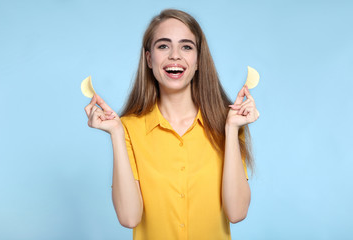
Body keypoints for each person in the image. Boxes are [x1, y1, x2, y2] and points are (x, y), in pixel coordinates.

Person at [84, 9, 259, 240]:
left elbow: (236, 213)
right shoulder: (128, 128)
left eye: (186, 47)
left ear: (198, 61)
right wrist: (116, 132)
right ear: (149, 58)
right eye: (163, 46)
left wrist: (231, 129)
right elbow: (129, 218)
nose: (175, 55)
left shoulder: (227, 124)